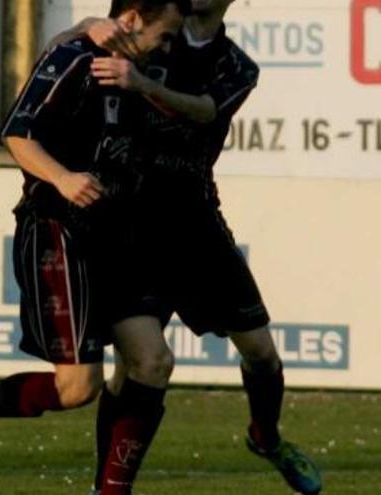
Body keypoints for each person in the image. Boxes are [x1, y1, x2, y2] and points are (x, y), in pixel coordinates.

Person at [0, 2, 190, 494]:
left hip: (117, 233)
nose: (167, 49)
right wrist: (62, 178)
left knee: (153, 361)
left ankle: (111, 490)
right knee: (78, 386)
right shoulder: (74, 59)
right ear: (135, 20)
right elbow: (17, 132)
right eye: (164, 36)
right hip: (59, 230)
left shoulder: (139, 75)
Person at [72, 1, 323, 493]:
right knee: (139, 365)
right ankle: (108, 485)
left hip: (195, 222)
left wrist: (144, 86)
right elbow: (92, 35)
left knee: (261, 352)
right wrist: (90, 24)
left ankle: (266, 437)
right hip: (130, 219)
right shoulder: (159, 25)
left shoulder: (237, 65)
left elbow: (205, 111)